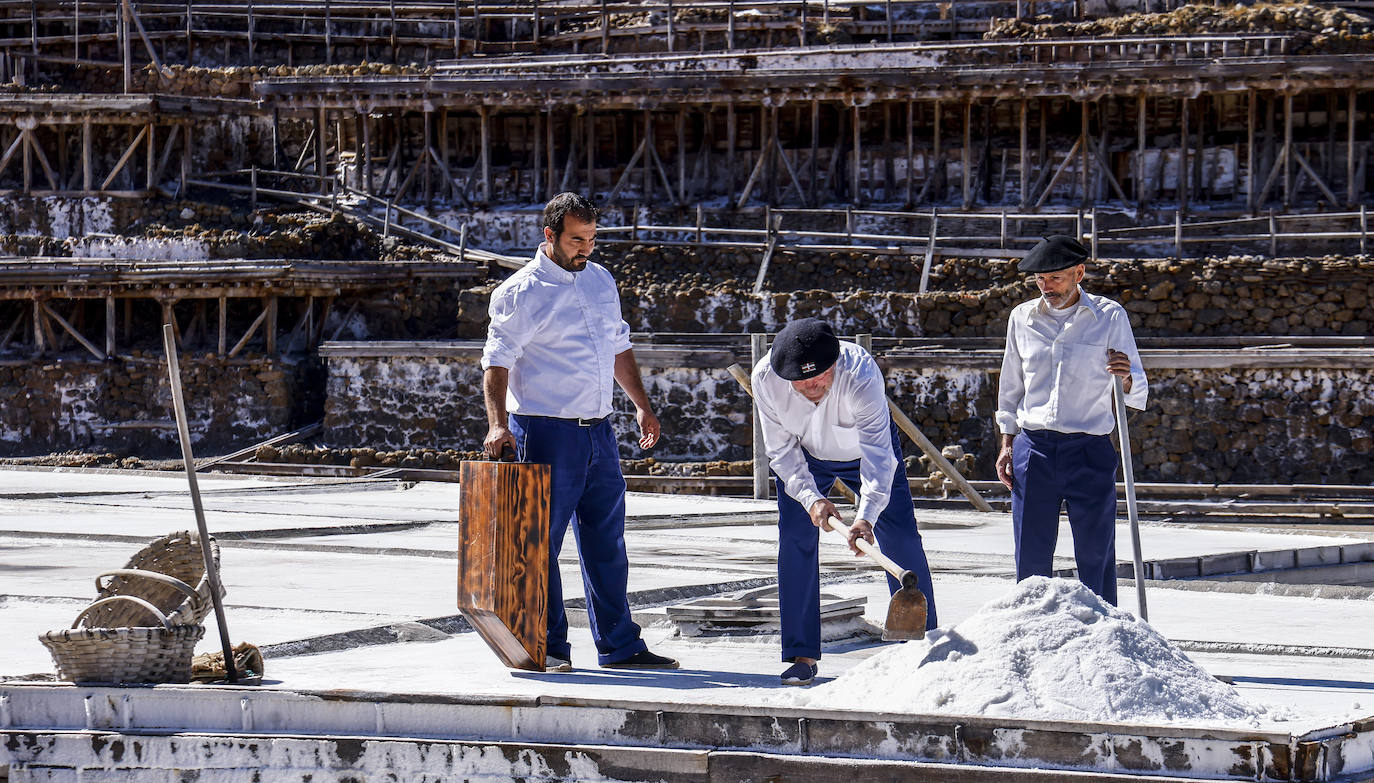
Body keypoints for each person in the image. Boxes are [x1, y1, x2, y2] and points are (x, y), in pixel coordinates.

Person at [481, 192, 678, 672]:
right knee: (541, 546)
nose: (585, 248)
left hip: (599, 432)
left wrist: (642, 407)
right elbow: (496, 361)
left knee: (607, 540)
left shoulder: (601, 280)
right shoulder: (520, 292)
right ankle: (547, 648)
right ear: (549, 236)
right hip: (544, 431)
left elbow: (618, 346)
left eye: (591, 238)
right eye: (576, 239)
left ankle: (620, 647)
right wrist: (497, 425)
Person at [751, 318, 938, 686]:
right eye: (801, 384)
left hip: (864, 452)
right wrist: (810, 498)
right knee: (795, 540)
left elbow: (879, 458)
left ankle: (923, 642)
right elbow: (781, 451)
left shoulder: (862, 373)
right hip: (803, 457)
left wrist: (865, 517)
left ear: (834, 364)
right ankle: (802, 654)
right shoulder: (766, 379)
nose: (812, 388)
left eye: (819, 378)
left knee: (900, 537)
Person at [995, 235, 1148, 606]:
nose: (1047, 286)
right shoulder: (1022, 318)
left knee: (1096, 553)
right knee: (1030, 553)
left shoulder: (1109, 316)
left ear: (1079, 273)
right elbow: (1011, 384)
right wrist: (1006, 443)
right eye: (1040, 280)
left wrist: (1124, 375)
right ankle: (1029, 629)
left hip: (1089, 449)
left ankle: (1102, 634)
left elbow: (1135, 387)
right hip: (1034, 448)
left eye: (1056, 278)